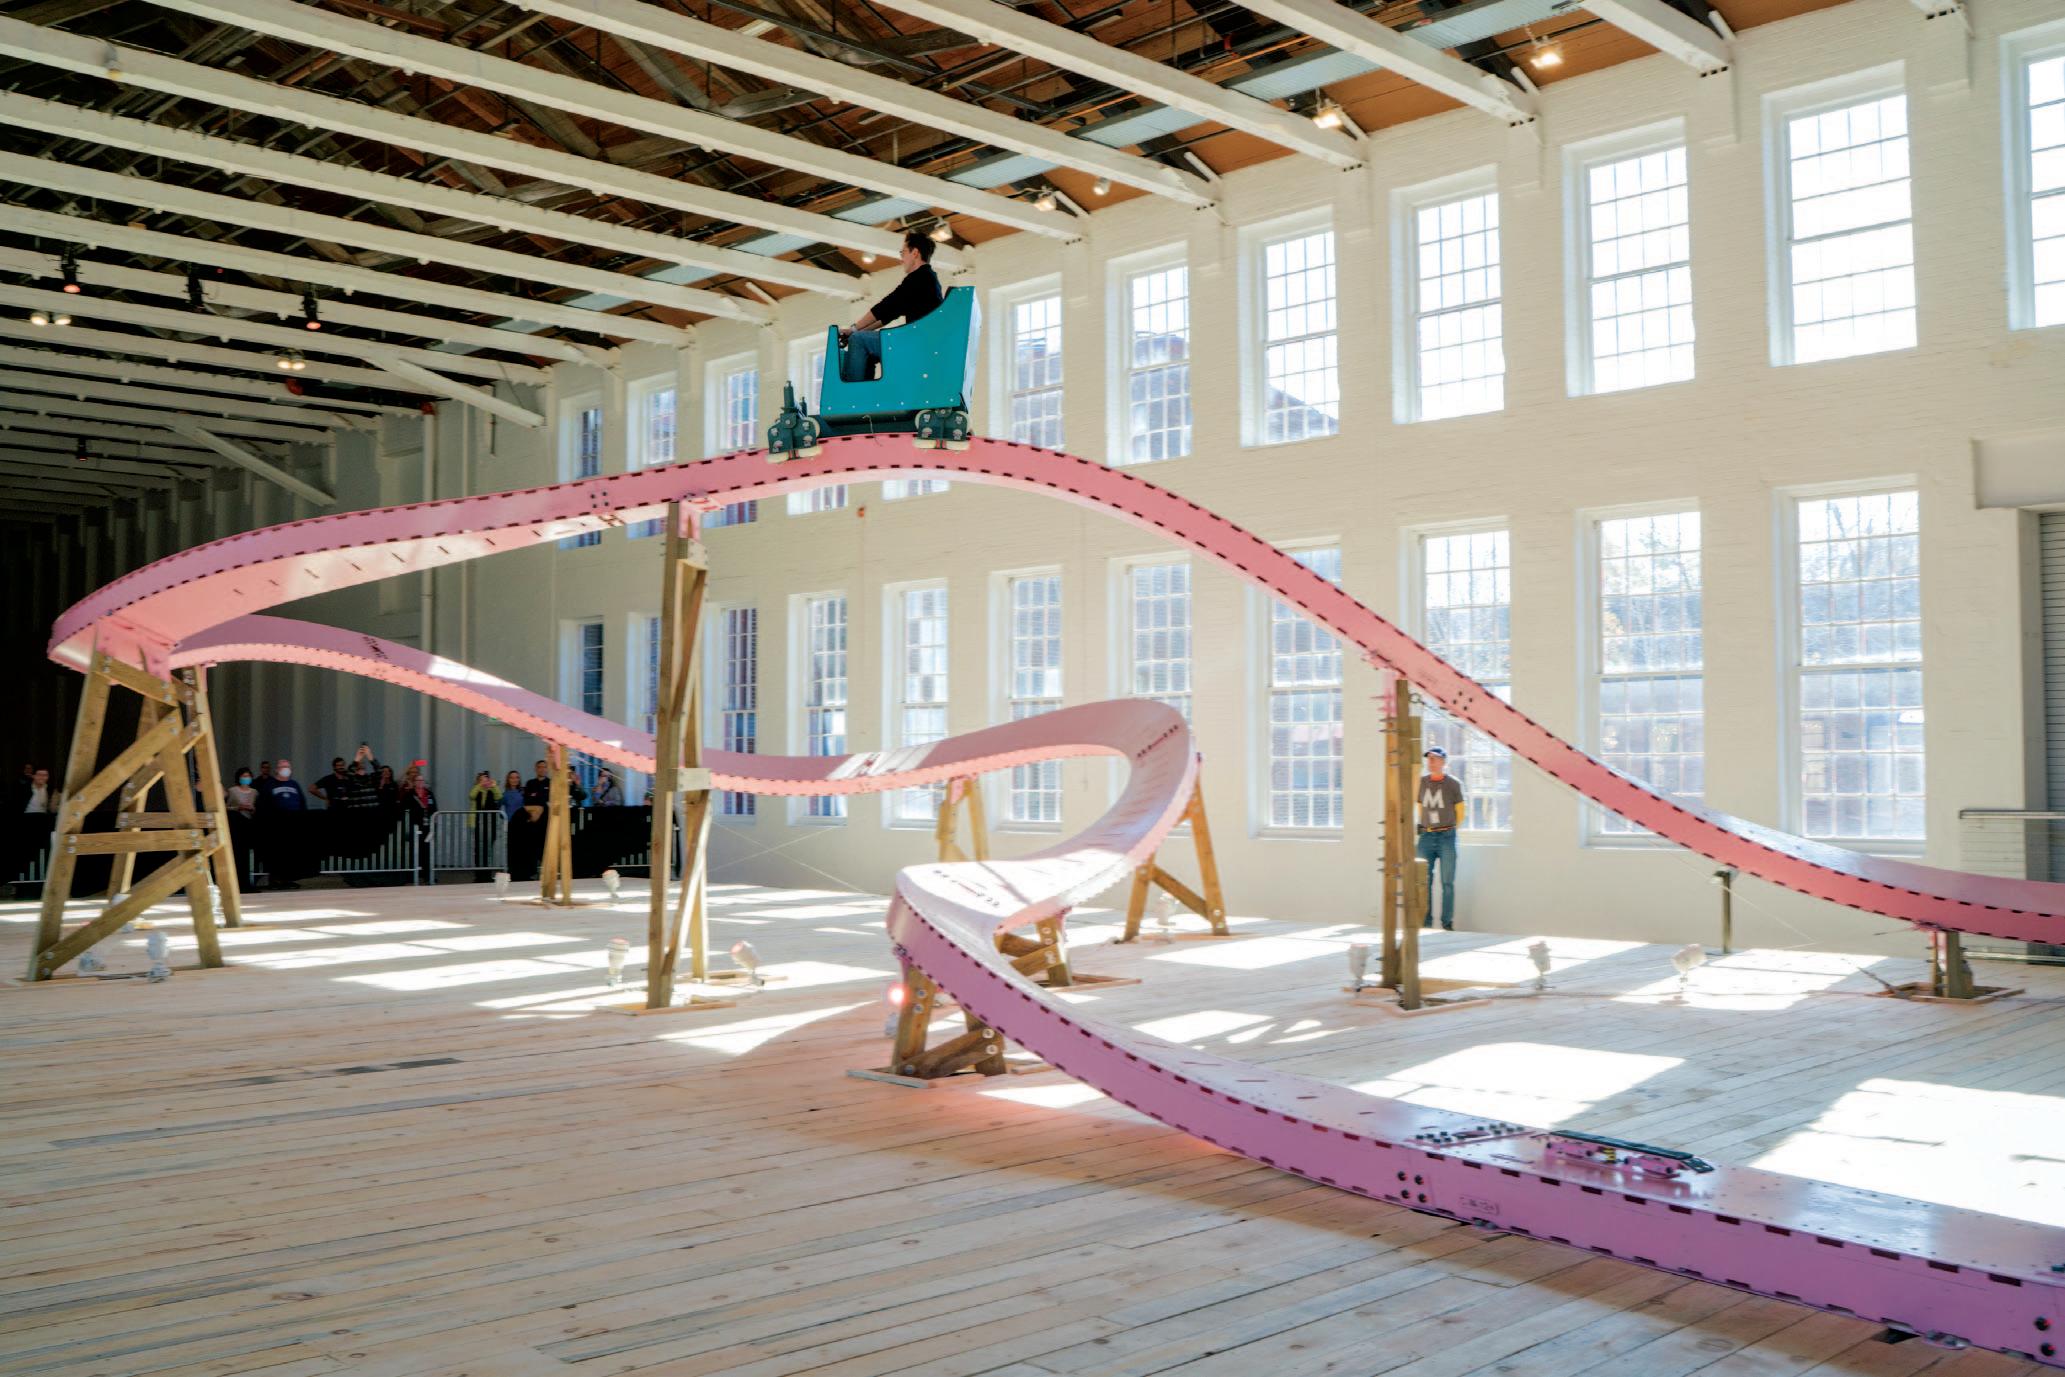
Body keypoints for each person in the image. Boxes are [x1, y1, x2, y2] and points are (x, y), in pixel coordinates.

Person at [837, 230, 942, 383]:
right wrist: (857, 330)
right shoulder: (927, 279)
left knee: (859, 340)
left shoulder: (920, 278)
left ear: (915, 253)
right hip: (920, 342)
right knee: (860, 337)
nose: (901, 259)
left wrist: (854, 330)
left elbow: (885, 307)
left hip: (914, 343)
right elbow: (888, 314)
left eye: (903, 253)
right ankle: (865, 391)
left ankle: (853, 391)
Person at [1417, 746, 1466, 932]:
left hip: (1447, 836)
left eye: (1434, 758)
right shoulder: (1421, 782)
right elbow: (1420, 807)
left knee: (1447, 882)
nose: (1430, 762)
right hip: (1426, 836)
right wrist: (1426, 825)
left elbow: (1460, 812)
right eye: (1428, 758)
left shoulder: (1453, 784)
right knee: (1423, 881)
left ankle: (1447, 923)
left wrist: (1448, 828)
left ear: (1443, 762)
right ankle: (1425, 922)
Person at [258, 759, 307, 890]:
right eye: (283, 766)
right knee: (276, 853)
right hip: (276, 824)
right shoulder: (269, 785)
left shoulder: (294, 784)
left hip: (293, 823)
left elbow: (302, 802)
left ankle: (287, 879)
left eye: (287, 767)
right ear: (277, 770)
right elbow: (262, 804)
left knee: (290, 853)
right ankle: (275, 880)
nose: (286, 769)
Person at [226, 766, 258, 887]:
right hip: (236, 823)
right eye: (244, 776)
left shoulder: (254, 792)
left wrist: (252, 809)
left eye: (248, 776)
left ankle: (248, 880)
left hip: (249, 823)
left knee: (247, 852)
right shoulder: (232, 791)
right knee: (237, 852)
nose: (246, 778)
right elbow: (226, 807)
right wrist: (238, 808)